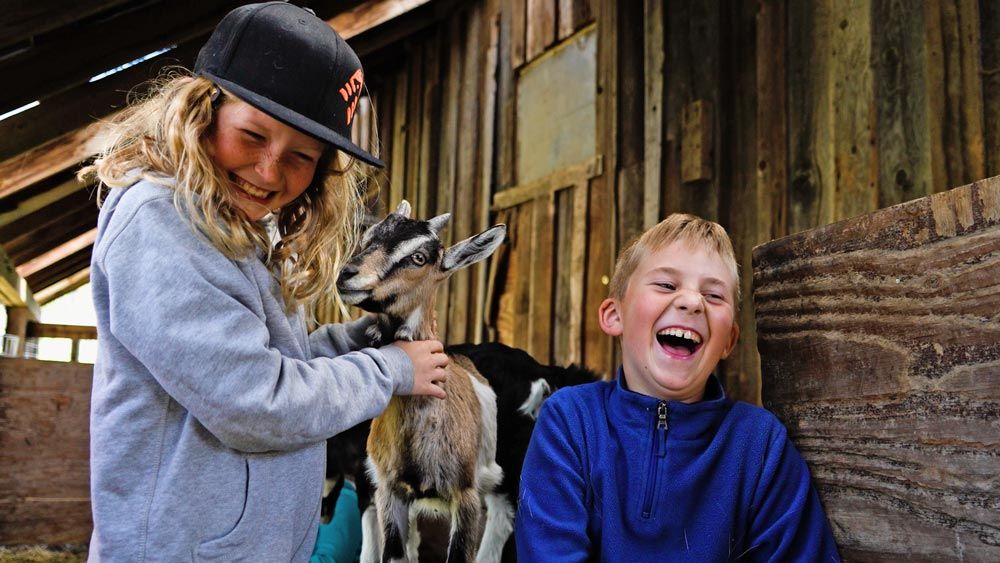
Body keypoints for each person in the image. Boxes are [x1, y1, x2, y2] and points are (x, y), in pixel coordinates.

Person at [83, 3, 449, 561]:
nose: (270, 171)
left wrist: (357, 341)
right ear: (203, 112)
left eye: (301, 157)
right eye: (252, 136)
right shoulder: (161, 225)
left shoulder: (240, 230)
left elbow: (276, 361)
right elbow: (255, 402)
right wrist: (390, 370)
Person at [514, 214, 841, 561]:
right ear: (615, 315)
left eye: (714, 295)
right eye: (667, 286)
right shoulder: (570, 421)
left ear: (729, 340)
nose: (692, 302)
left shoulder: (760, 446)